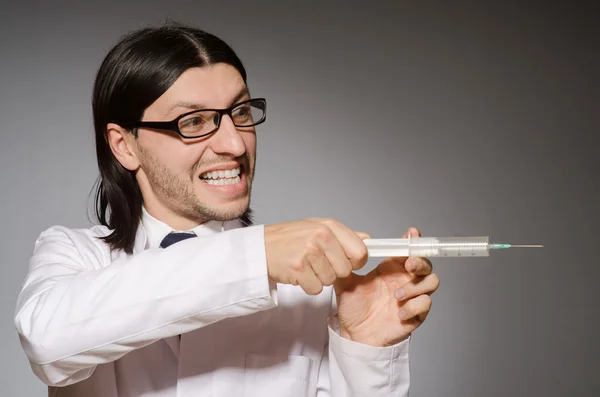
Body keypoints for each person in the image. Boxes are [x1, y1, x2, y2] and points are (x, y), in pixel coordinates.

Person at [14, 23, 439, 397]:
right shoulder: (74, 255)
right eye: (194, 121)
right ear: (125, 145)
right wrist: (256, 257)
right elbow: (46, 341)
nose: (235, 145)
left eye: (239, 112)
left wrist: (366, 351)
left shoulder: (313, 288)